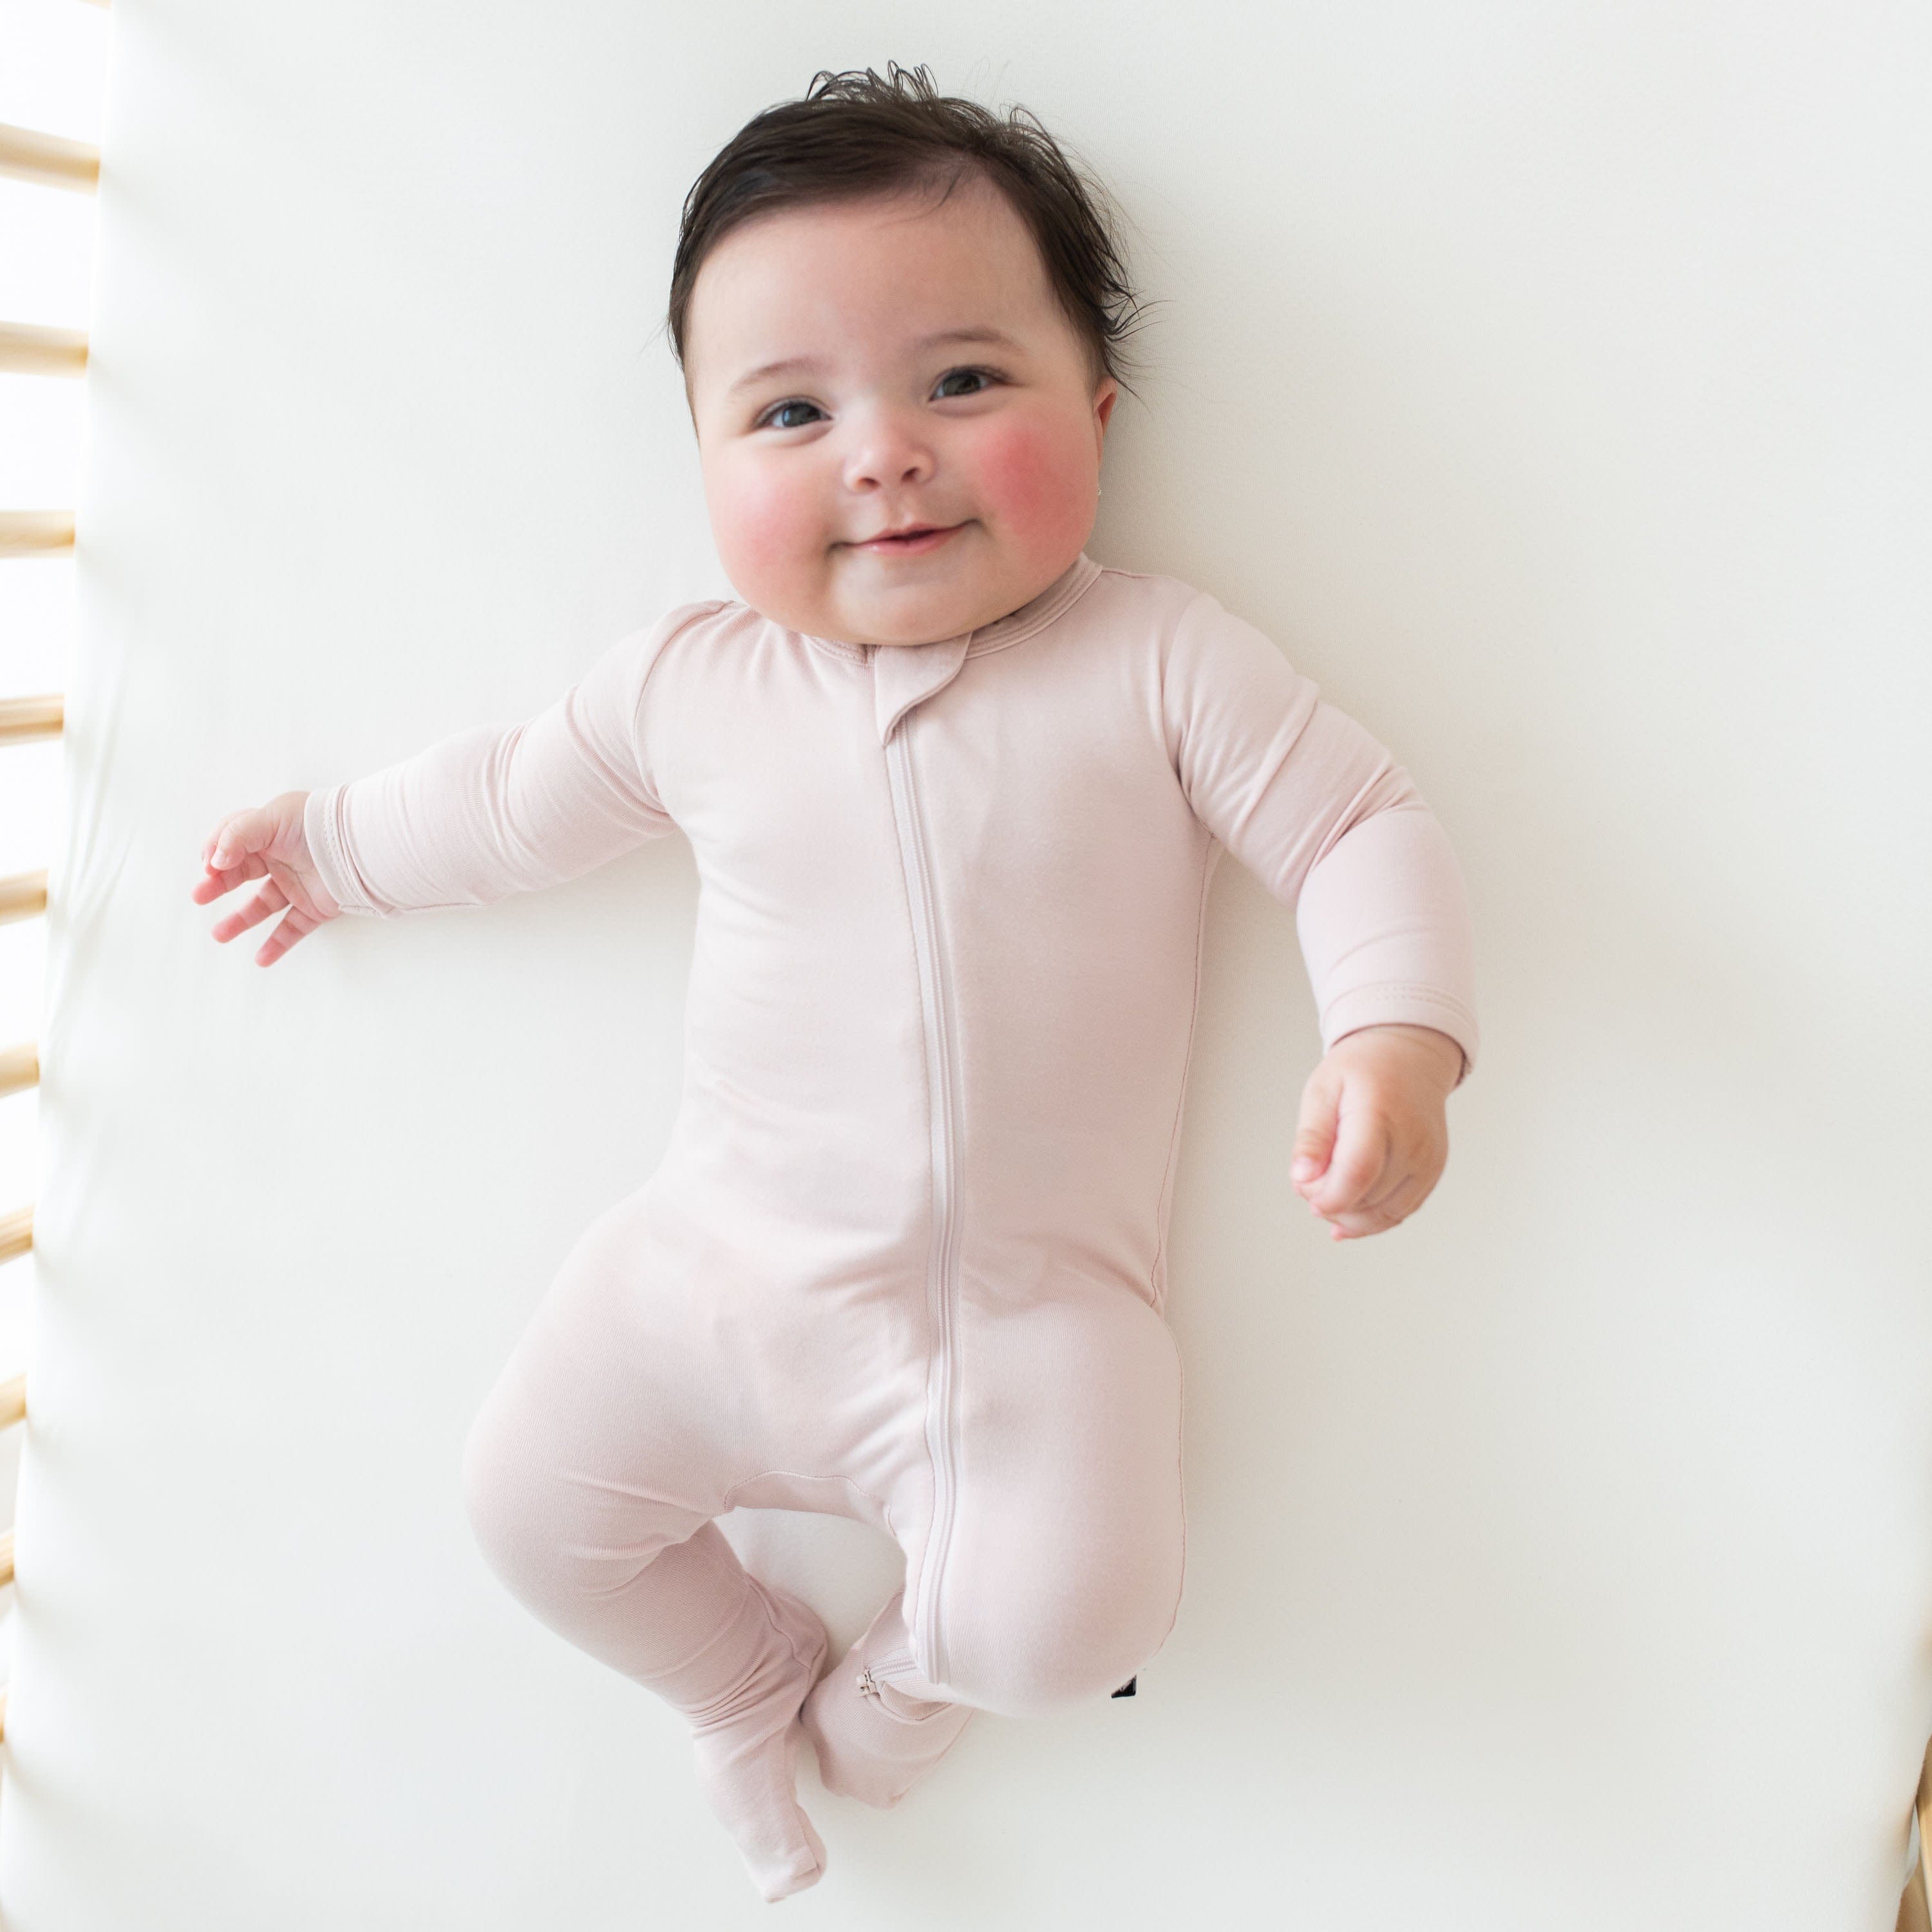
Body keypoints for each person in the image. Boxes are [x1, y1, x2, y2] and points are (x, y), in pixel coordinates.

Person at [191, 62, 1479, 1904]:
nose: (884, 450)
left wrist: (1396, 1038)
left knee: (1077, 1618)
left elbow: (1358, 824)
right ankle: (742, 1683)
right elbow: (508, 800)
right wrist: (329, 847)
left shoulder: (1159, 660)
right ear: (706, 467)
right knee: (528, 1513)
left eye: (963, 381)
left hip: (1031, 1334)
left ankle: (905, 1683)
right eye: (792, 410)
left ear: (1098, 413)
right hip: (713, 1278)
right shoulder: (697, 686)